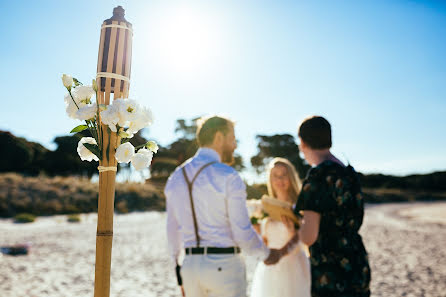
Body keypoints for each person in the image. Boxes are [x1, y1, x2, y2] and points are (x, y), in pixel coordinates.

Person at [165, 115, 279, 297]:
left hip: (190, 268)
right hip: (224, 266)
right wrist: (266, 254)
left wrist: (180, 272)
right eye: (232, 138)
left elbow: (172, 230)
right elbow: (242, 232)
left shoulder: (176, 177)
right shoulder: (228, 175)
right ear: (219, 137)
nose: (234, 145)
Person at [265, 116, 371, 297]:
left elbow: (308, 236)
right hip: (357, 262)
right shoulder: (349, 172)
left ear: (303, 143)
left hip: (331, 270)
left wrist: (296, 224)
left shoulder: (318, 175)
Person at [250, 157, 311, 297]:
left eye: (284, 175)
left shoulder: (299, 207)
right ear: (270, 179)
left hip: (293, 268)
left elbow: (303, 240)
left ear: (291, 177)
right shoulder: (265, 208)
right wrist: (257, 231)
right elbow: (264, 239)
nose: (280, 180)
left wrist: (292, 232)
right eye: (275, 176)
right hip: (270, 267)